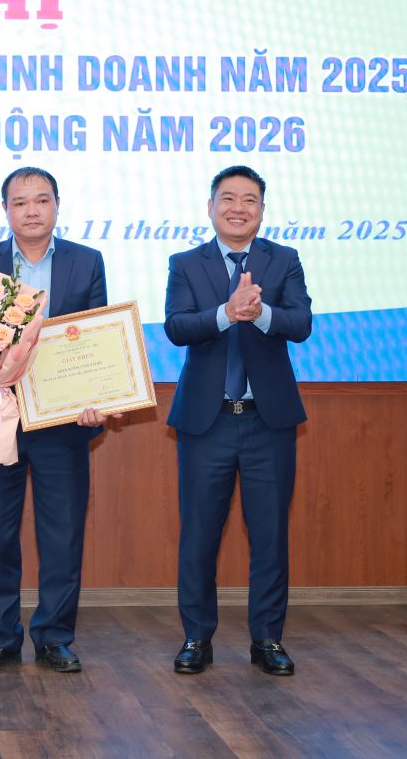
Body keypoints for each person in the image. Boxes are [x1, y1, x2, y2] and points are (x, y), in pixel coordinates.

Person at [0, 166, 109, 673]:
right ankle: (1, 637)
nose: (31, 211)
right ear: (5, 210)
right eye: (20, 202)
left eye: (41, 200)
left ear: (57, 205)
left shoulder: (86, 261)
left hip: (62, 420)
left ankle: (54, 637)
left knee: (63, 535)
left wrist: (96, 396)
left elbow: (96, 336)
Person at [163, 165, 312, 677]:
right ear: (211, 207)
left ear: (262, 211)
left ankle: (267, 639)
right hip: (207, 423)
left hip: (268, 421)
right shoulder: (186, 263)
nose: (238, 208)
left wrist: (260, 313)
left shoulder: (284, 259)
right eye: (228, 198)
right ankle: (196, 638)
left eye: (250, 200)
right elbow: (177, 327)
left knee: (269, 534)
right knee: (199, 535)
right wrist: (227, 313)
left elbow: (301, 323)